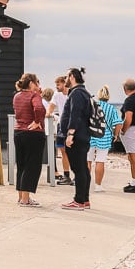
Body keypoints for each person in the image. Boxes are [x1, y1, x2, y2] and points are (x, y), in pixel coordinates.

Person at [60, 67, 94, 210]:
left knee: (78, 168)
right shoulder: (84, 92)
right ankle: (84, 199)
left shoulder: (77, 93)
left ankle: (79, 200)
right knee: (83, 168)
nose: (65, 79)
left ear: (72, 77)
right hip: (83, 135)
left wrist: (70, 134)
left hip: (77, 136)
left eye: (67, 76)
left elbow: (75, 114)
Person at [12, 73, 47, 206]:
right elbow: (38, 108)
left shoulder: (17, 96)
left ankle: (21, 196)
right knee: (31, 165)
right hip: (33, 133)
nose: (39, 85)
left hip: (18, 131)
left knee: (21, 164)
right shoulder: (34, 95)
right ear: (32, 83)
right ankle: (26, 199)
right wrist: (37, 121)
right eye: (37, 82)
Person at [88, 85, 123, 193]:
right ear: (108, 96)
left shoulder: (91, 106)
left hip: (90, 133)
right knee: (100, 160)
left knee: (87, 160)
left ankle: (85, 184)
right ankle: (98, 186)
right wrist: (116, 135)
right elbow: (118, 123)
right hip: (104, 135)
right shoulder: (111, 108)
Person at [48, 75, 72, 186]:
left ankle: (78, 176)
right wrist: (48, 113)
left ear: (64, 83)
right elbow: (51, 106)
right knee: (63, 151)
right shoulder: (57, 95)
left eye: (58, 84)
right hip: (62, 125)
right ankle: (67, 175)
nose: (56, 87)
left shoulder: (73, 94)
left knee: (74, 152)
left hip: (72, 125)